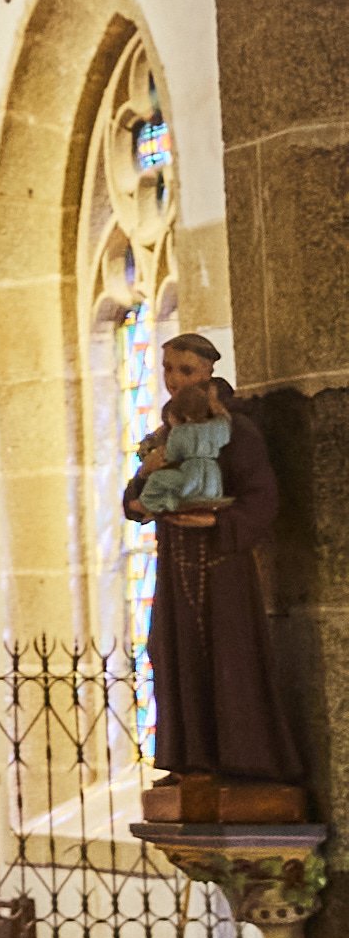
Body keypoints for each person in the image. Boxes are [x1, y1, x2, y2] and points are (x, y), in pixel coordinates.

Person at [125, 329, 303, 804]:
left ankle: (243, 763)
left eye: (185, 370)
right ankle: (190, 761)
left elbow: (263, 499)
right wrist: (146, 478)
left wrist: (215, 519)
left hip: (221, 566)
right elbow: (134, 501)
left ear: (207, 372)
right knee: (171, 653)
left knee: (229, 658)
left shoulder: (233, 429)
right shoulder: (164, 434)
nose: (174, 379)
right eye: (167, 369)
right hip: (175, 564)